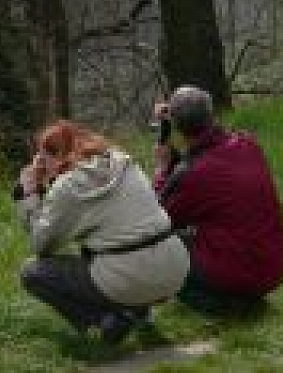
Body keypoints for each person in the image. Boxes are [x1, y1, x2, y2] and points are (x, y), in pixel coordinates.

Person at [12, 120, 190, 343]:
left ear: (56, 157)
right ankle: (137, 312)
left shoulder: (68, 187)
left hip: (132, 277)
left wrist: (29, 194)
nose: (39, 165)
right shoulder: (122, 162)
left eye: (42, 159)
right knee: (107, 247)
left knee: (33, 272)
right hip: (174, 267)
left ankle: (106, 320)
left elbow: (41, 244)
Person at [153, 85, 283, 314]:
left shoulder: (192, 174)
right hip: (274, 267)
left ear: (177, 127)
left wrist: (161, 169)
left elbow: (157, 220)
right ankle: (242, 296)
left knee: (162, 247)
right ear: (212, 116)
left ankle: (221, 301)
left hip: (239, 274)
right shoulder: (248, 145)